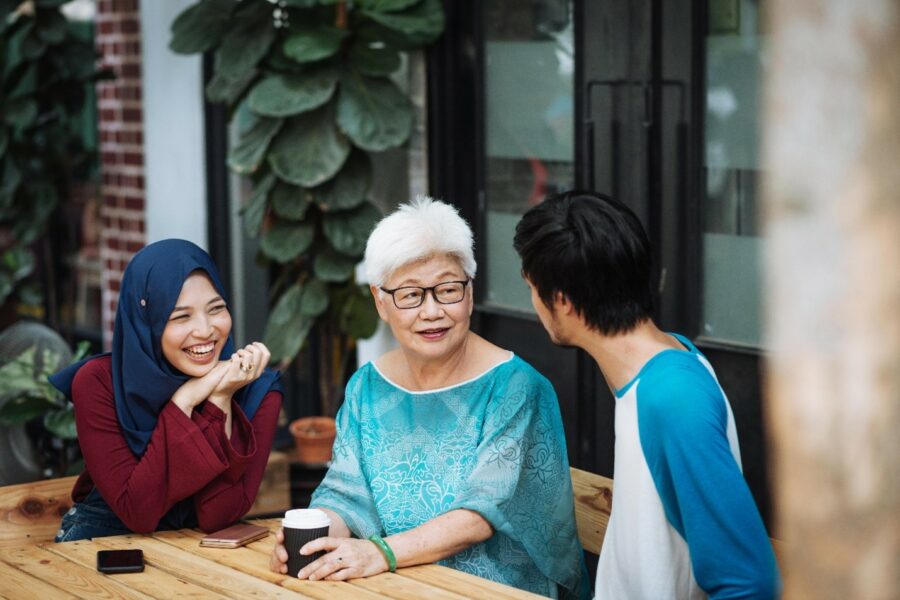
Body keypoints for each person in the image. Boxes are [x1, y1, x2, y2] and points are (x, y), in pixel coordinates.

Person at [269, 197, 587, 599]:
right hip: (392, 586)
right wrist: (313, 540)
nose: (432, 311)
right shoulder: (366, 387)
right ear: (380, 301)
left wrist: (380, 552)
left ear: (470, 293)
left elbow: (480, 514)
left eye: (448, 290)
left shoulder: (515, 388)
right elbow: (345, 494)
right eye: (411, 295)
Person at [513, 190, 780, 599]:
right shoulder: (654, 362)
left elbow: (749, 583)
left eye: (533, 288)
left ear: (562, 301)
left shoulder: (672, 398)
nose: (533, 303)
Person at [50, 239, 282, 541]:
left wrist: (219, 400)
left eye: (216, 309)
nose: (205, 330)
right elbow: (138, 514)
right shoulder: (99, 383)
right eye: (180, 316)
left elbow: (218, 516)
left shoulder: (256, 391)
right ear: (147, 322)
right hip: (102, 545)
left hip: (199, 557)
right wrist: (184, 401)